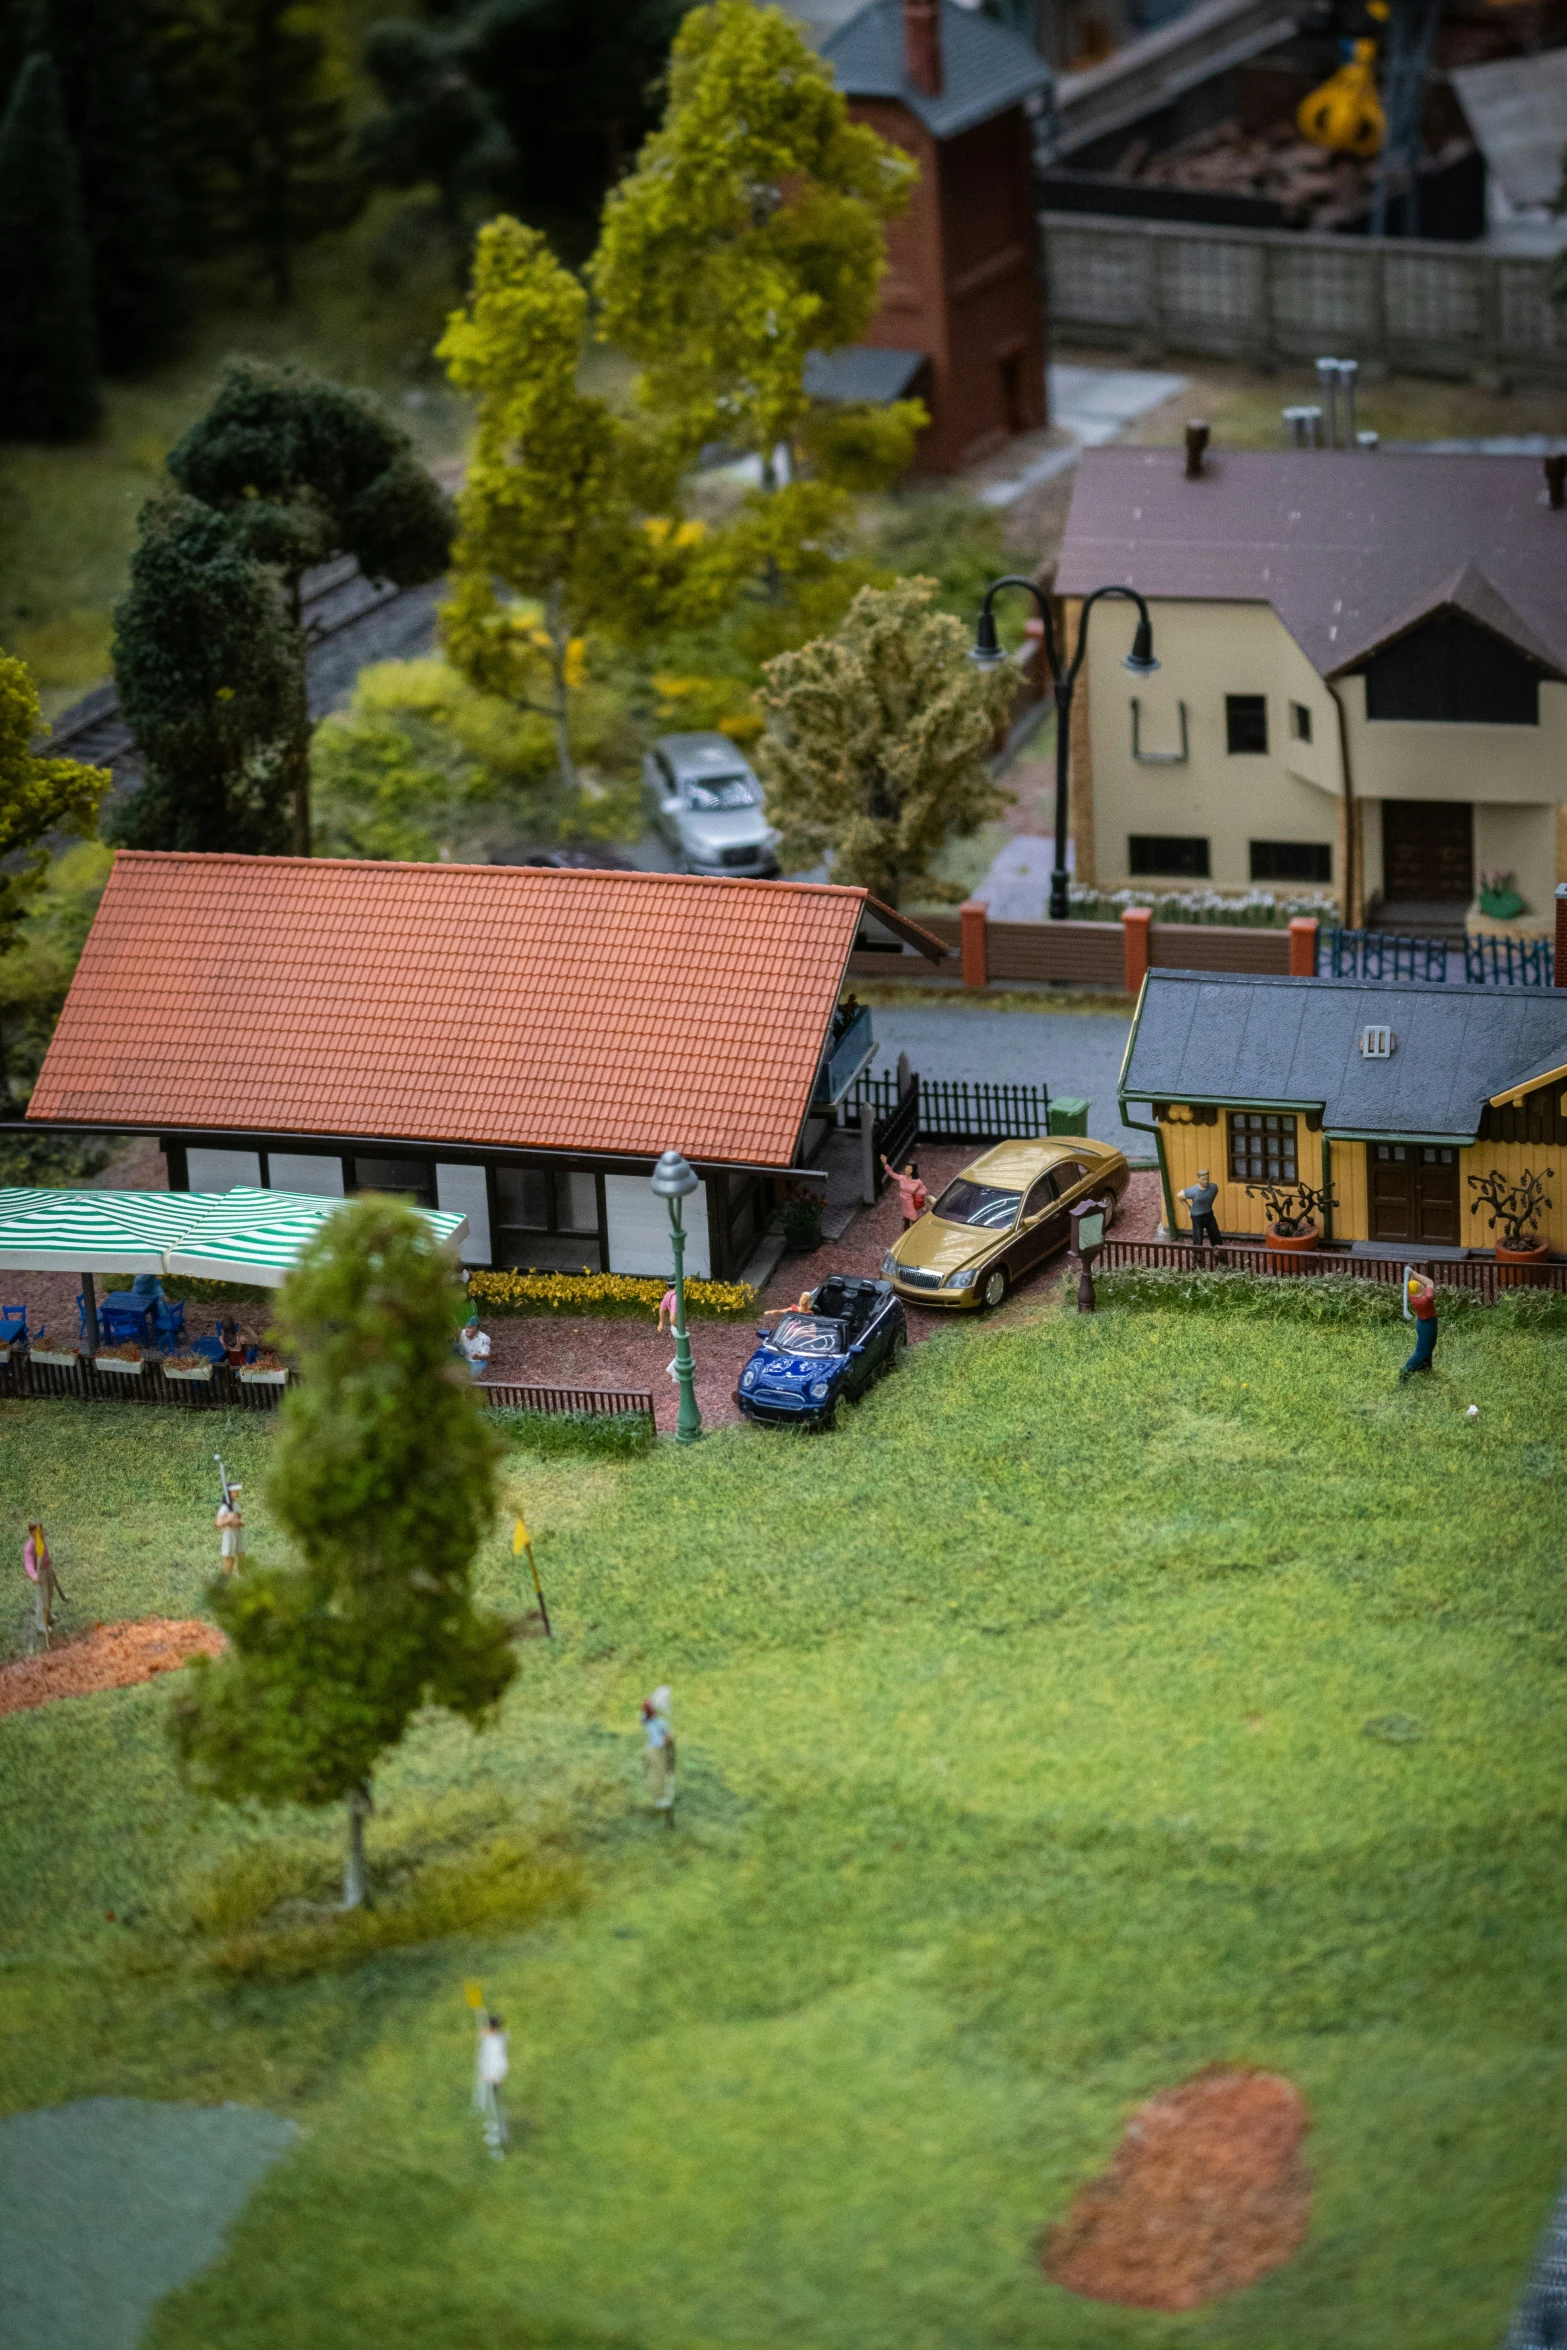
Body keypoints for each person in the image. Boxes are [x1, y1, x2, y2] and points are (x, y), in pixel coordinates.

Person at [473, 2013, 510, 2157]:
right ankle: (496, 2133)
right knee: (493, 2105)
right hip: (492, 2077)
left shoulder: (495, 2041)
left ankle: (496, 2138)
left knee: (494, 2107)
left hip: (492, 2078)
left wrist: (491, 2076)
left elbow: (497, 2058)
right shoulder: (496, 2037)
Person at [641, 1685, 676, 1826]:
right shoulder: (657, 1721)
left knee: (659, 1773)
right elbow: (662, 1741)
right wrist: (670, 1738)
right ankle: (661, 1801)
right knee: (661, 1774)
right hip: (658, 1750)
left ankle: (660, 1799)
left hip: (654, 1748)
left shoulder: (650, 1719)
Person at [23, 1522, 60, 1648]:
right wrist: (33, 1575)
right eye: (37, 1532)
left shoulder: (41, 1540)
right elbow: (28, 1563)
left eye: (41, 1531)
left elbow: (45, 1554)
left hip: (47, 1568)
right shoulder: (29, 1547)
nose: (40, 1534)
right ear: (31, 1533)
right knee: (42, 1599)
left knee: (49, 1594)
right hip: (39, 1574)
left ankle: (48, 1616)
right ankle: (41, 1624)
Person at [1400, 1272, 1438, 1381]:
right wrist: (1413, 1272)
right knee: (1422, 1351)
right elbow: (1429, 1282)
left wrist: (1410, 1273)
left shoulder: (1411, 1294)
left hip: (1422, 1323)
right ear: (1418, 1290)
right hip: (1428, 1325)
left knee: (1428, 1347)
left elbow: (1413, 1281)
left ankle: (1425, 1369)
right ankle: (1405, 1373)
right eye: (1420, 1287)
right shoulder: (1426, 1299)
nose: (1422, 1286)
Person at [1179, 1168, 1222, 1250]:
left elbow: (1212, 1196)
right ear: (1198, 1179)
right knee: (1198, 1239)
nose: (1205, 1181)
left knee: (1216, 1236)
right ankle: (1198, 1260)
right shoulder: (1193, 1191)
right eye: (1203, 1179)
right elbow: (1179, 1196)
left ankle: (1220, 1259)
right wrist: (1188, 1208)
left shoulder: (1214, 1188)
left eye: (1207, 1179)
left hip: (1209, 1214)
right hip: (1197, 1217)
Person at [881, 1159, 928, 1228]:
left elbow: (924, 1190)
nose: (907, 1170)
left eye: (910, 1169)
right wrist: (885, 1164)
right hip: (904, 1202)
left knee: (914, 1218)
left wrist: (915, 1192)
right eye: (906, 1167)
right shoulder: (902, 1178)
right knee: (906, 1219)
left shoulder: (917, 1182)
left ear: (913, 1170)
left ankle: (917, 1232)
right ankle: (906, 1232)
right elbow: (892, 1174)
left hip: (911, 1202)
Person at [216, 1486, 244, 1575]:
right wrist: (228, 1519)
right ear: (230, 1492)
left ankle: (244, 1580)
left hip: (237, 1532)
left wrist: (238, 1521)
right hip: (229, 1533)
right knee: (229, 1559)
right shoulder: (224, 1508)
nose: (238, 1492)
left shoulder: (235, 1505)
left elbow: (239, 1519)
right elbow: (218, 1524)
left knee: (241, 1556)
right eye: (236, 1491)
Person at [457, 1313, 491, 1378]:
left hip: (477, 1362)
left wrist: (477, 1356)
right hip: (464, 1360)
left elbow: (487, 1355)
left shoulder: (484, 1339)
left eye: (470, 1328)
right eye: (466, 1327)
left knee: (470, 1374)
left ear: (476, 1328)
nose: (467, 1330)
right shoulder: (462, 1333)